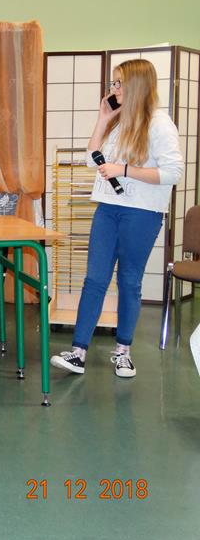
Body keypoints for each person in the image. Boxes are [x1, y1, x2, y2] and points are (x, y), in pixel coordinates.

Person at [50, 59, 183, 378]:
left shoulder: (160, 123)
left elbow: (173, 173)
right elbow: (90, 159)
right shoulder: (118, 121)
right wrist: (103, 118)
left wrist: (124, 170)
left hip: (142, 212)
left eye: (118, 83)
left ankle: (123, 352)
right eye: (113, 83)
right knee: (94, 279)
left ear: (137, 85)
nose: (113, 89)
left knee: (129, 281)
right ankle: (78, 352)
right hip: (107, 209)